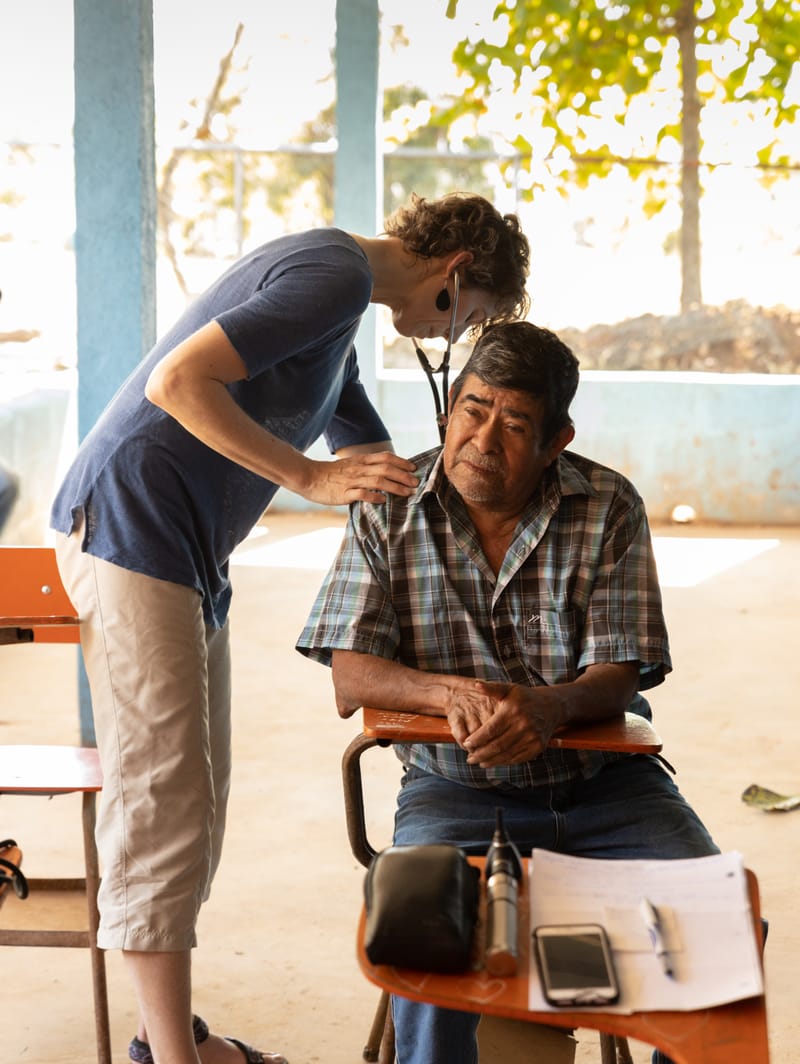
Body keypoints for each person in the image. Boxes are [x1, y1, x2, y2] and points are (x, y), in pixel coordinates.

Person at [49, 192, 530, 1064]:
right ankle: (171, 1058)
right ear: (455, 275)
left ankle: (173, 1038)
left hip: (184, 549)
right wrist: (307, 479)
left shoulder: (339, 304)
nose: (447, 338)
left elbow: (363, 439)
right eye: (469, 319)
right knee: (164, 805)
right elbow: (177, 383)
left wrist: (446, 489)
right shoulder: (334, 276)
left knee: (199, 796)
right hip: (132, 529)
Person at [296, 320, 719, 1064]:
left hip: (606, 786)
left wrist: (549, 706)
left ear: (557, 440)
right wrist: (455, 695)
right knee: (425, 934)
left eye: (516, 422)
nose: (485, 440)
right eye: (475, 409)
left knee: (713, 924)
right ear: (447, 409)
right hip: (453, 790)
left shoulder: (608, 505)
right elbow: (351, 675)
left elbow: (620, 673)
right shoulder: (386, 506)